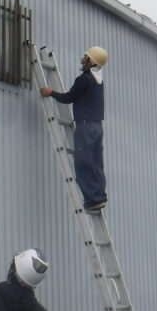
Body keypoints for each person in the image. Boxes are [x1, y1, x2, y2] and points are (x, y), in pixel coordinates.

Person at [39, 45, 108, 213]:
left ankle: (92, 200)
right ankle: (99, 197)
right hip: (97, 126)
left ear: (92, 61)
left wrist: (50, 92)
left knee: (83, 162)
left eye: (86, 57)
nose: (82, 59)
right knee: (96, 163)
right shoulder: (98, 80)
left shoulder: (84, 79)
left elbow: (68, 98)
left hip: (85, 126)